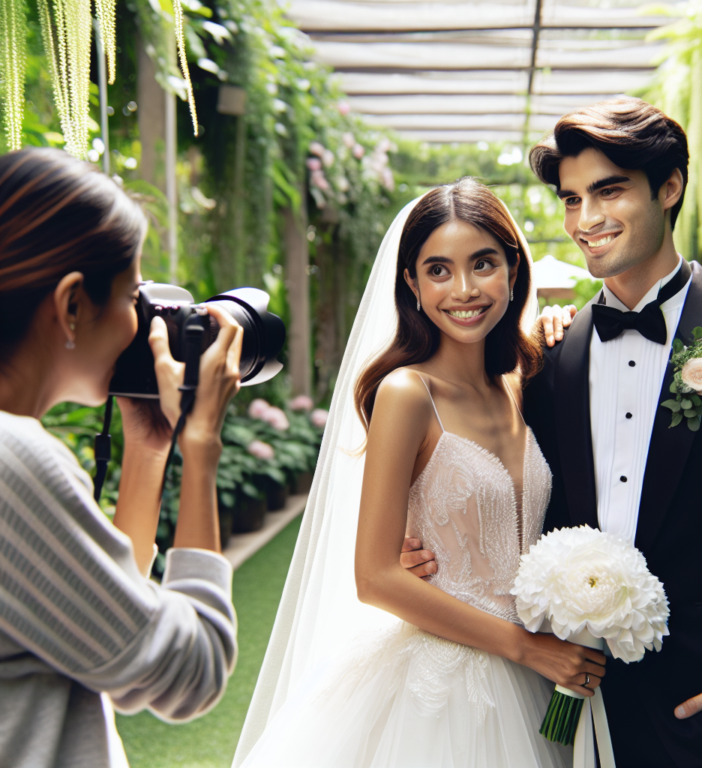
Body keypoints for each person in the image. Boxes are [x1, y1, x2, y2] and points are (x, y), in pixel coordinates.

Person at [407, 97, 702, 768]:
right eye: (572, 200)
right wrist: (427, 555)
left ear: (669, 187)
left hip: (701, 709)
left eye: (608, 191)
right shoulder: (547, 357)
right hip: (556, 705)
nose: (587, 221)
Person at [233, 178, 607, 768]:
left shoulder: (522, 380)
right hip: (447, 682)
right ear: (411, 282)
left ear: (513, 267)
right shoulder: (408, 393)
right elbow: (376, 576)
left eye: (483, 263)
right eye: (438, 270)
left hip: (541, 671)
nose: (463, 289)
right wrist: (527, 649)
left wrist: (559, 323)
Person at [0, 148, 242, 767]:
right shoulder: (15, 459)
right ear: (72, 305)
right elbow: (192, 669)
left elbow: (113, 630)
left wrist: (149, 448)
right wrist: (202, 449)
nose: (142, 325)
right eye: (134, 297)